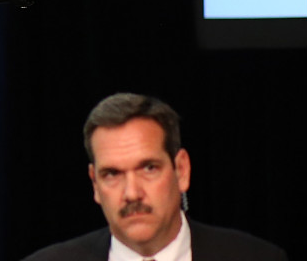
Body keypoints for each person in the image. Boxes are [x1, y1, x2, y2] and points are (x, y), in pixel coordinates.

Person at [22, 92, 287, 261]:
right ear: (95, 184)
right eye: (112, 174)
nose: (132, 193)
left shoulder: (256, 257)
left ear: (181, 170)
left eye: (148, 168)